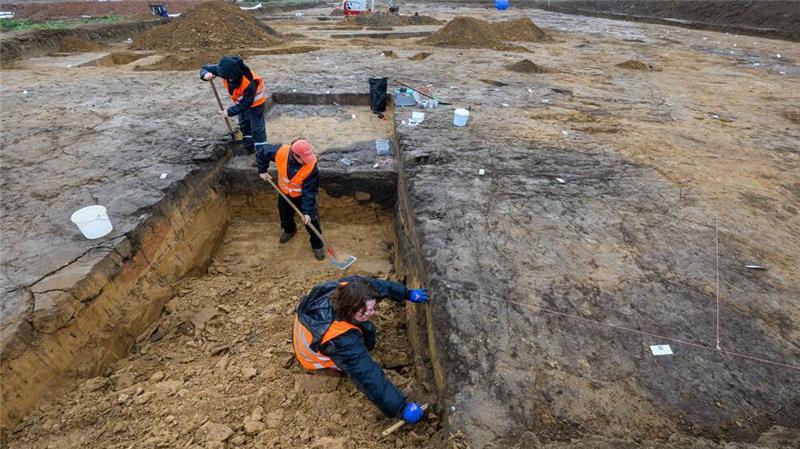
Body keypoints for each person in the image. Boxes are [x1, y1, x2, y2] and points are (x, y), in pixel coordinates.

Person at [293, 276, 430, 424]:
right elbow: (368, 376)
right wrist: (401, 407)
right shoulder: (341, 340)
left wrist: (406, 294)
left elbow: (380, 286)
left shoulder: (347, 287)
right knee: (359, 366)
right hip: (314, 357)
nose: (372, 313)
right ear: (349, 310)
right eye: (365, 311)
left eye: (373, 308)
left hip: (311, 330)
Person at [255, 139, 324, 260]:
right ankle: (289, 230)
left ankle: (317, 244)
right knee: (284, 214)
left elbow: (310, 191)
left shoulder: (311, 167)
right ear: (295, 155)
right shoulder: (281, 152)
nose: (307, 161)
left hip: (302, 196)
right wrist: (262, 170)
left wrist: (307, 211)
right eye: (304, 159)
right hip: (284, 193)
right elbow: (261, 152)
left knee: (311, 221)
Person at [200, 56, 267, 155]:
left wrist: (229, 112)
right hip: (241, 103)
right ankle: (249, 149)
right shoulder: (223, 69)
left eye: (230, 78)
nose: (229, 80)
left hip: (256, 104)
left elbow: (247, 102)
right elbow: (205, 68)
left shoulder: (249, 81)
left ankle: (262, 154)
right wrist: (205, 75)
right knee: (244, 124)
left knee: (257, 128)